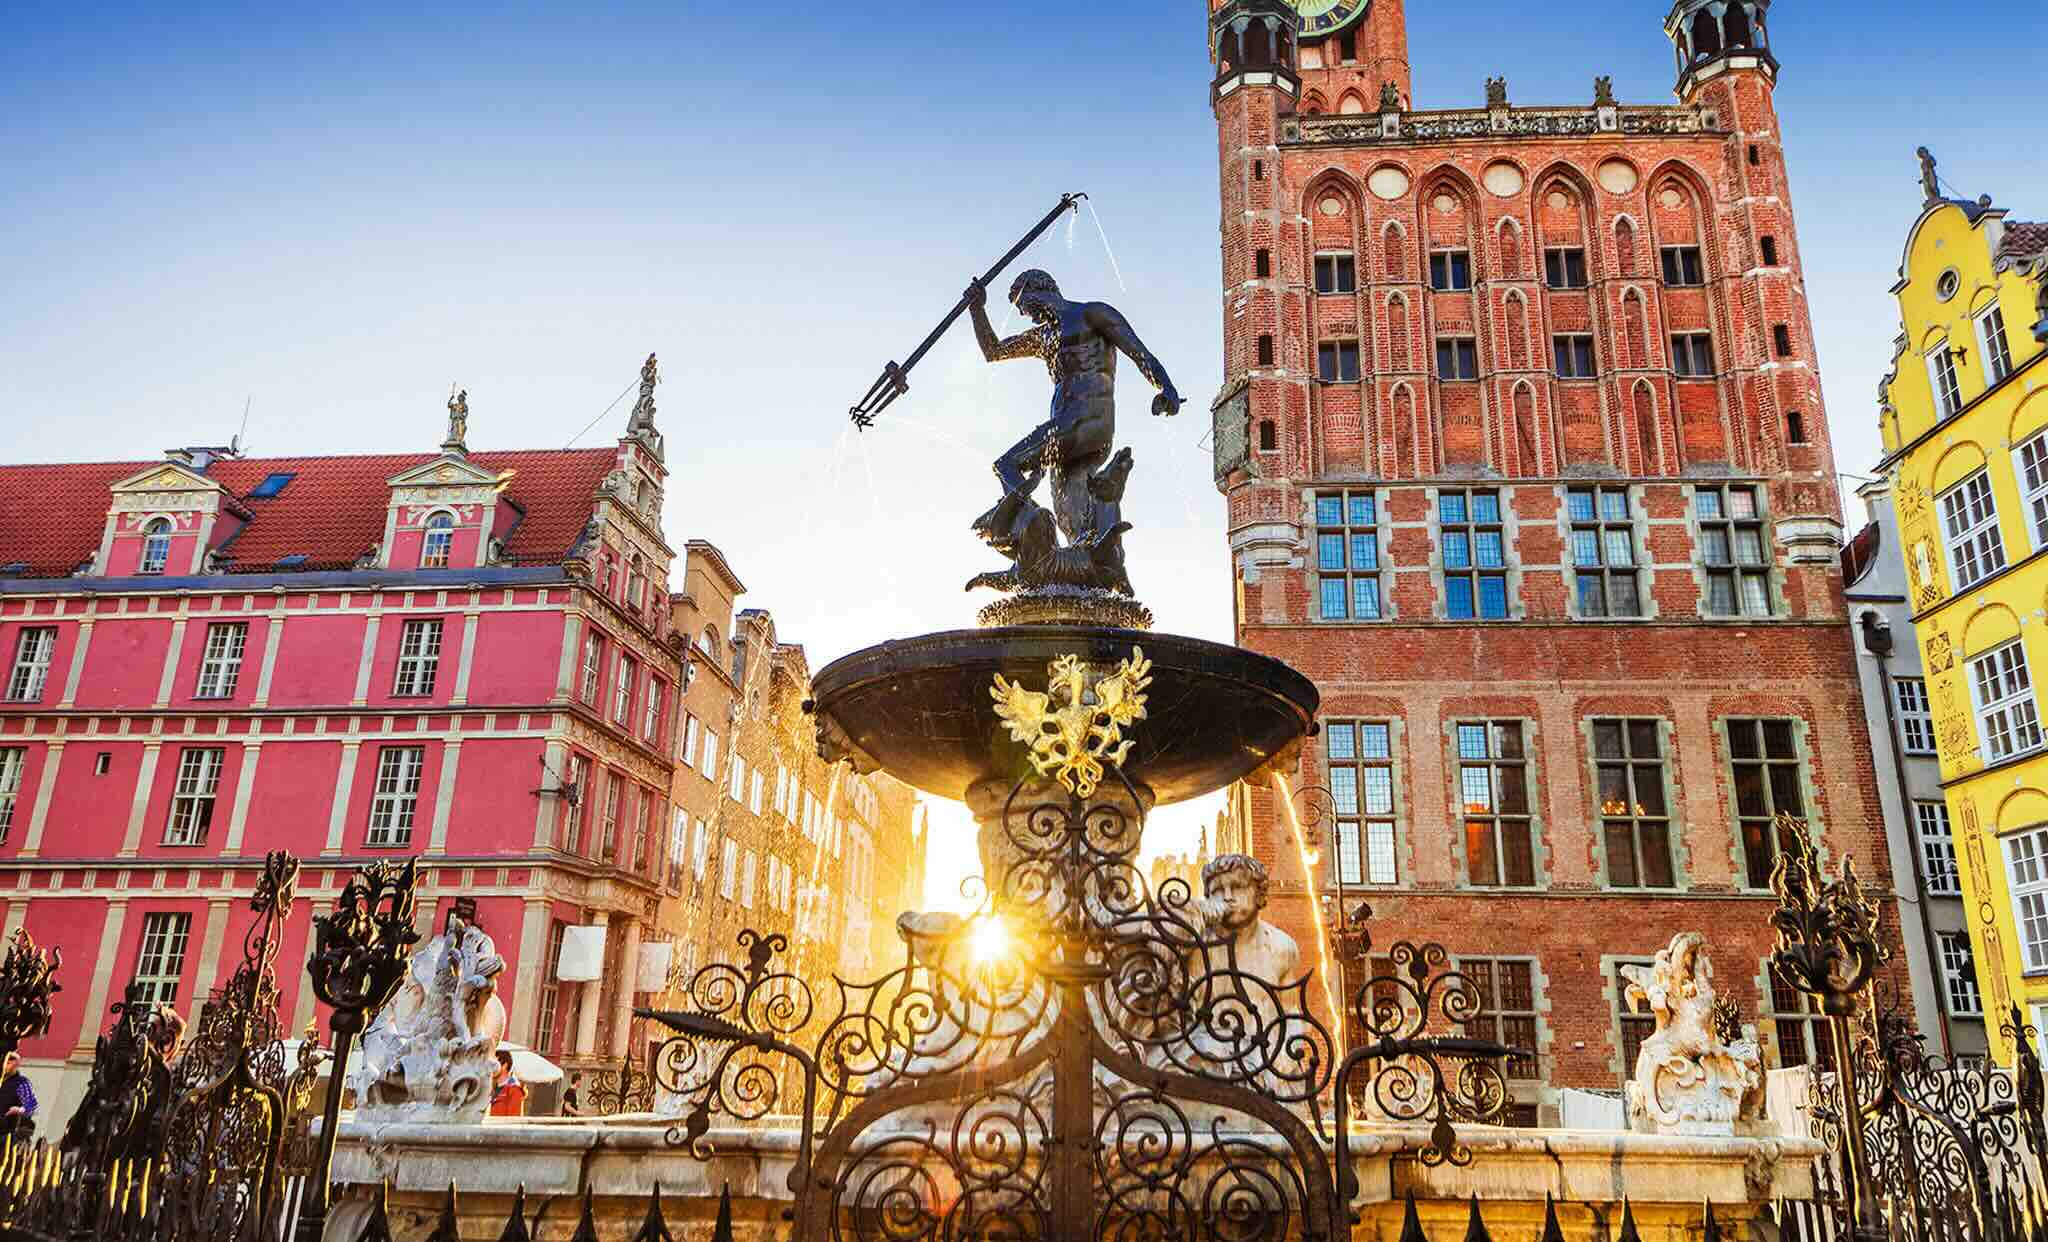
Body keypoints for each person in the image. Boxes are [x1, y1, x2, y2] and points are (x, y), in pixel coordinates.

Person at [0, 1051, 37, 1141]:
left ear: (16, 1065)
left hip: (5, 1134)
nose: (5, 1065)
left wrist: (19, 1110)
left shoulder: (21, 1082)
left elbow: (31, 1105)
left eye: (9, 1063)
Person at [487, 1048, 525, 1117]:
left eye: (494, 1065)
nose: (491, 1069)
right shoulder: (492, 1088)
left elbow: (513, 1122)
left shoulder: (515, 1089)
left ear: (505, 1065)